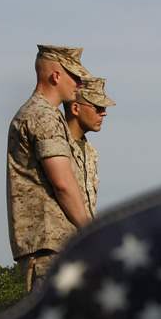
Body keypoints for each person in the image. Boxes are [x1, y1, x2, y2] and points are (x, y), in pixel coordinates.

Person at [7, 45, 91, 291]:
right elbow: (62, 183)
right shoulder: (43, 116)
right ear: (55, 76)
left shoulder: (43, 115)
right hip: (51, 251)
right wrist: (91, 231)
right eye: (74, 76)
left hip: (55, 249)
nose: (79, 83)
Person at [63, 76, 115, 221]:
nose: (103, 113)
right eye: (98, 107)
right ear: (75, 108)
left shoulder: (90, 152)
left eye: (103, 108)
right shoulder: (58, 147)